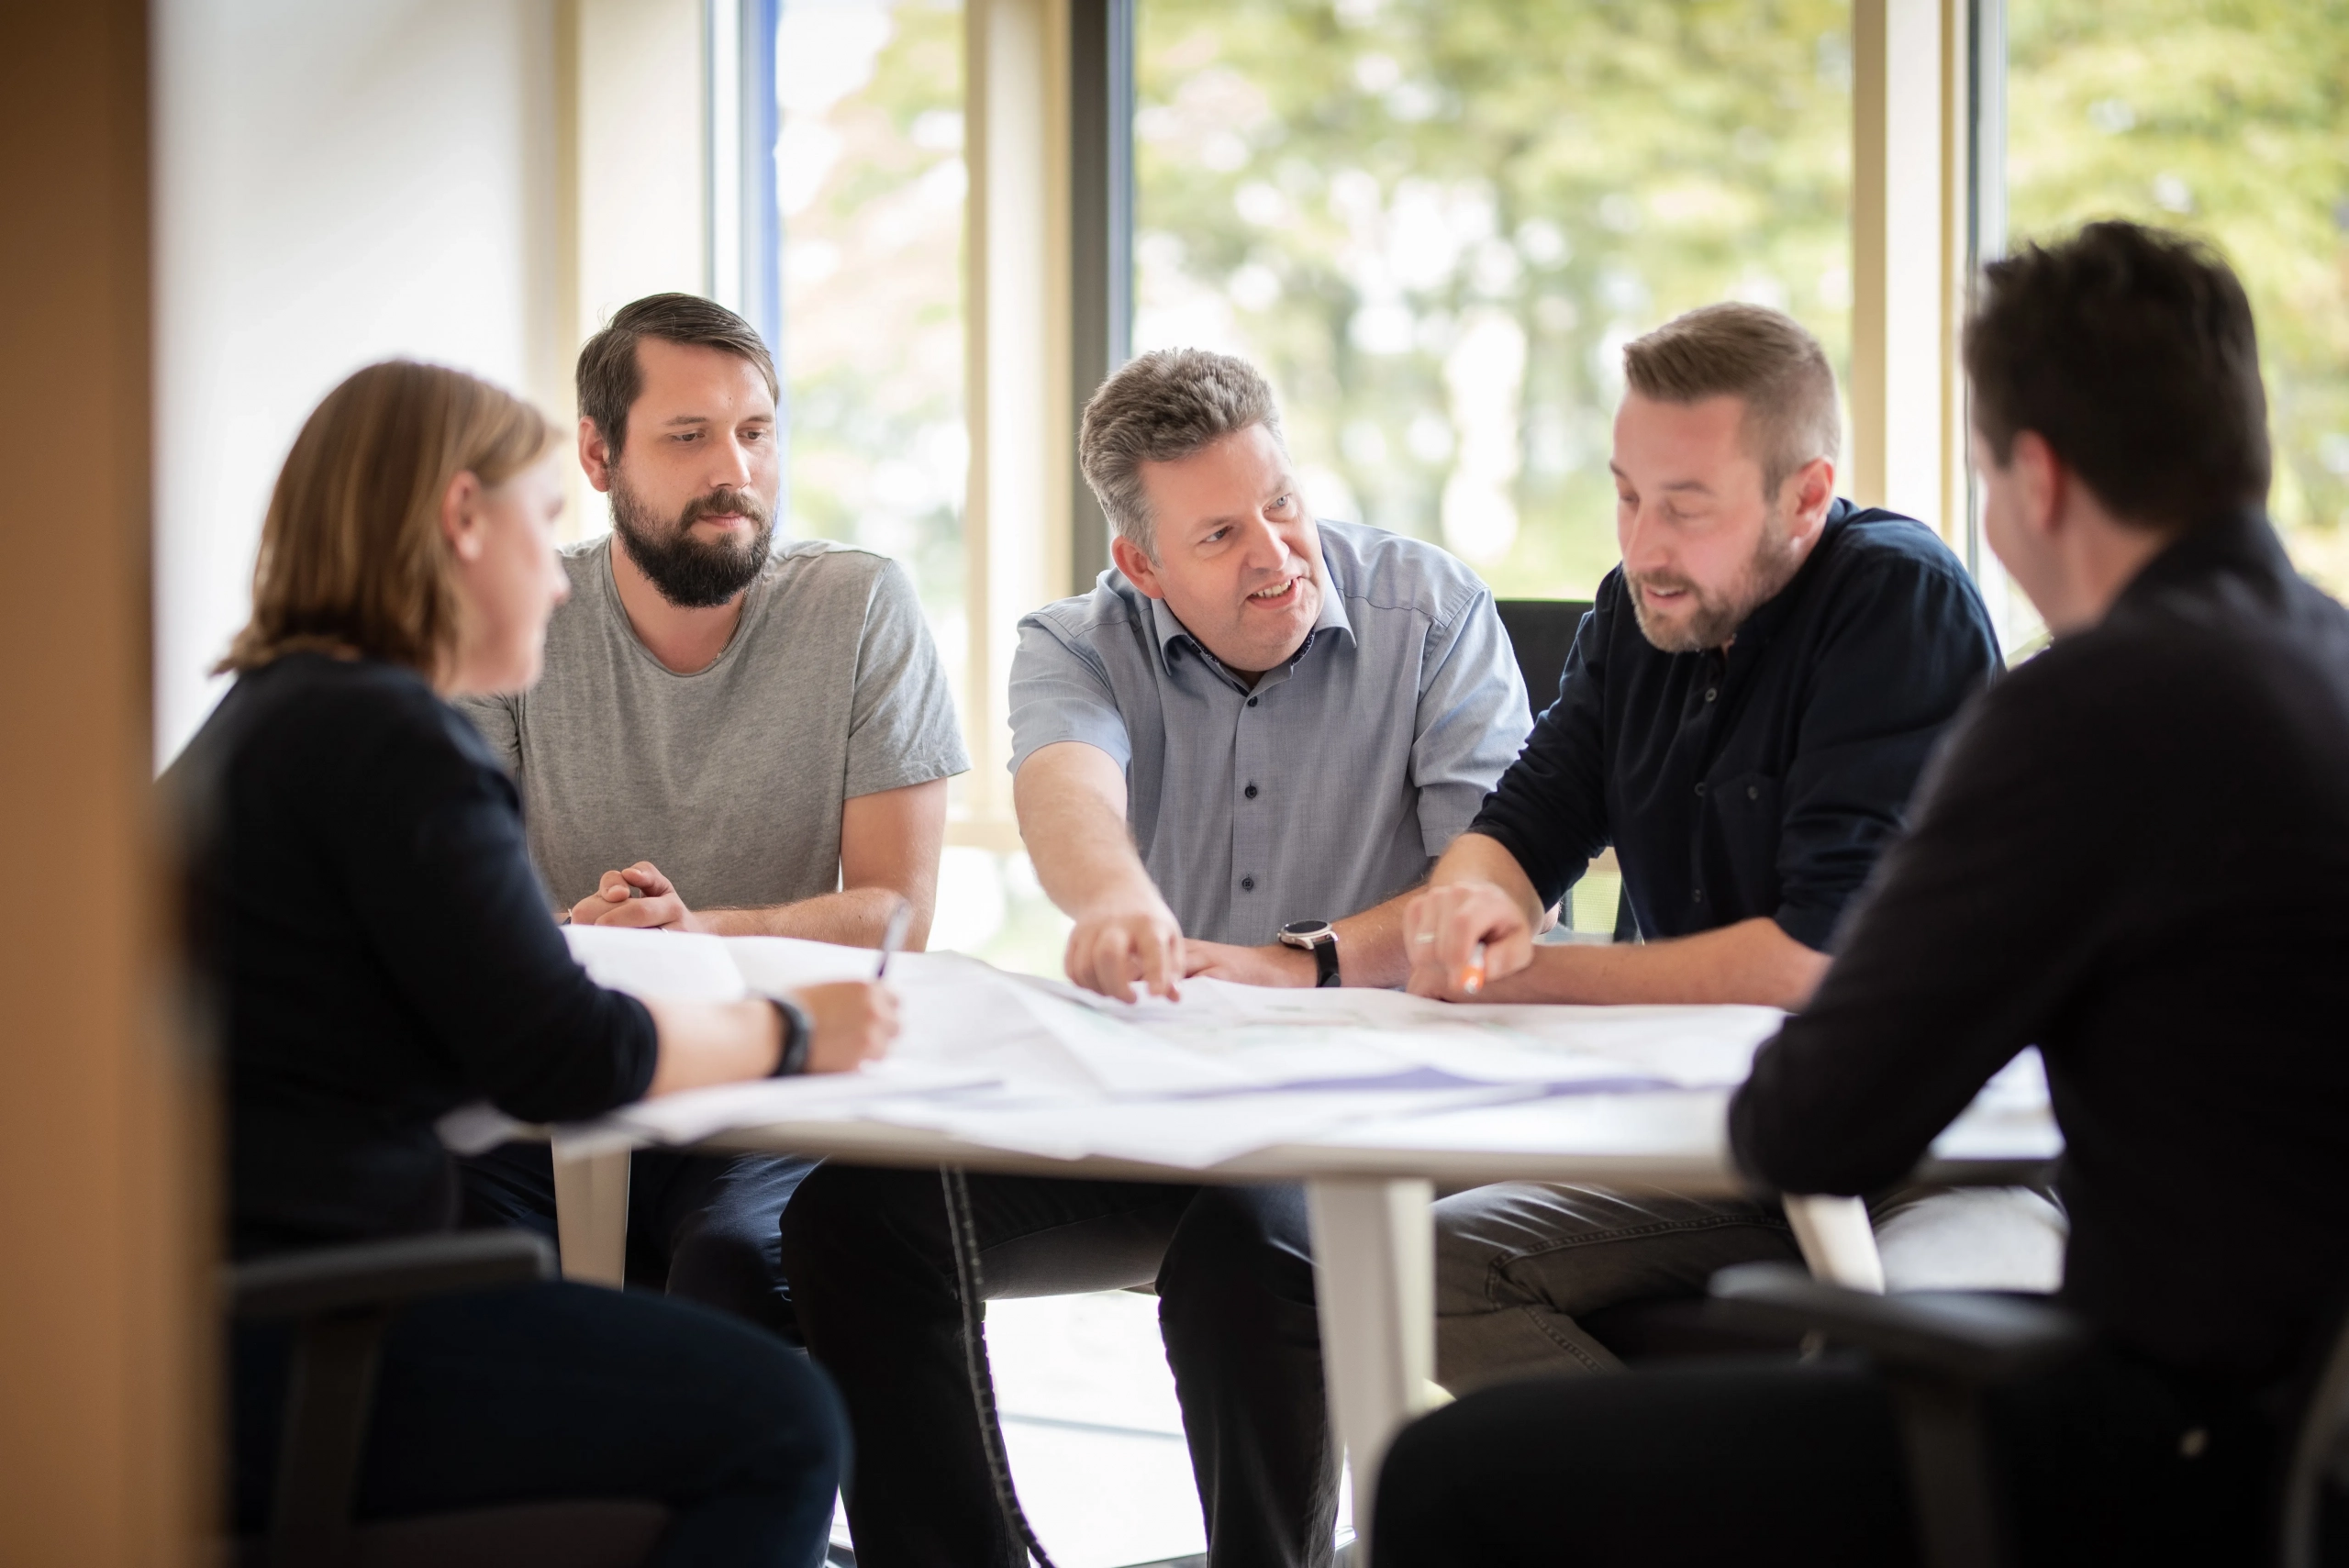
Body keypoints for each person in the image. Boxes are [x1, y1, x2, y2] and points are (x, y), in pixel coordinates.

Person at [1373, 220, 2349, 1565]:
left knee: (1448, 1478)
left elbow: (1813, 1123)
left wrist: (1541, 974)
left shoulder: (2093, 706)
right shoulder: (2321, 665)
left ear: (2041, 480)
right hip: (2295, 1428)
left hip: (2150, 1430)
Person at [778, 348, 1531, 1568]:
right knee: (854, 1222)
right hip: (1166, 1109)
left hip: (1371, 1112)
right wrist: (1124, 905)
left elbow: (1490, 884)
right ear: (1141, 562)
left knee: (1247, 1255)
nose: (1278, 554)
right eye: (1223, 533)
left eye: (1283, 503)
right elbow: (1066, 786)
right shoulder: (1074, 642)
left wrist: (1308, 961)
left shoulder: (1431, 611)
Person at [169, 361, 900, 1562]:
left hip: (207, 1330)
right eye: (542, 524)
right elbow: (569, 1055)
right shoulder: (392, 741)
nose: (559, 590)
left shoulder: (264, 721)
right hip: (319, 1339)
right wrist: (795, 1029)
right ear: (462, 520)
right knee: (780, 1418)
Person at [1388, 304, 2047, 1389]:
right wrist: (1466, 899)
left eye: (1686, 508)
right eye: (1626, 494)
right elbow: (1525, 818)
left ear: (1806, 495)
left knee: (1897, 1374)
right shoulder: (1640, 612)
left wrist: (1526, 973)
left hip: (1939, 1151)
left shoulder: (1895, 596)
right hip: (1734, 1142)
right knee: (1421, 1267)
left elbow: (1815, 960)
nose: (1644, 544)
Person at [456, 294, 967, 1337]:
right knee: (463, 1256)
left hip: (769, 1087)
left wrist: (696, 934)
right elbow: (464, 912)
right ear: (597, 459)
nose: (731, 469)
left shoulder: (858, 606)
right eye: (687, 437)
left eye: (754, 431)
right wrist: (586, 938)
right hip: (556, 1080)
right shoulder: (521, 615)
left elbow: (900, 920)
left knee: (743, 1263)